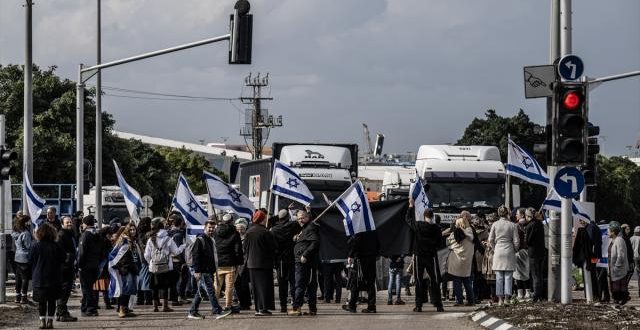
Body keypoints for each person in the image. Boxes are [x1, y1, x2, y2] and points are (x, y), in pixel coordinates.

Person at [187, 220, 231, 320]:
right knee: (211, 291)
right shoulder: (200, 239)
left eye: (213, 228)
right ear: (205, 228)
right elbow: (195, 256)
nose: (211, 230)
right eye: (209, 228)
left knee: (200, 293)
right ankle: (217, 311)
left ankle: (193, 312)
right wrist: (197, 271)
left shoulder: (210, 239)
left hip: (209, 270)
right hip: (203, 271)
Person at [404, 201, 444, 312]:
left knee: (419, 280)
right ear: (433, 216)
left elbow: (407, 219)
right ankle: (438, 304)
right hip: (431, 256)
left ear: (424, 216)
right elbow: (440, 244)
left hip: (419, 256)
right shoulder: (437, 228)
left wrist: (411, 206)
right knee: (435, 280)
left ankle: (419, 305)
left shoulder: (418, 226)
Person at [144, 217, 186, 313]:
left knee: (154, 287)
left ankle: (155, 307)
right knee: (165, 287)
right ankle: (165, 306)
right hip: (167, 267)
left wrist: (150, 262)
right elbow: (176, 251)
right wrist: (183, 246)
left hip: (153, 267)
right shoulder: (168, 239)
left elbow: (146, 254)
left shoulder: (151, 239)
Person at [31, 224, 65, 329]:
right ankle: (50, 321)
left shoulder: (36, 245)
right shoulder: (56, 246)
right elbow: (63, 259)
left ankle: (42, 321)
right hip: (54, 277)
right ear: (52, 233)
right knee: (52, 301)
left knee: (42, 301)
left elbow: (32, 261)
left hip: (39, 277)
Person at [244, 210, 277, 316]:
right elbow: (273, 248)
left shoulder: (249, 232)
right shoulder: (266, 232)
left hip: (251, 264)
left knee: (255, 287)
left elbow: (245, 248)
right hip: (264, 264)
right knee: (264, 286)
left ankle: (258, 308)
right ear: (262, 219)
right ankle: (263, 308)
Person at [288, 209, 320, 316]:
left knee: (300, 285)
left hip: (305, 263)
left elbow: (315, 242)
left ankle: (297, 308)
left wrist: (305, 255)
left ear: (307, 217)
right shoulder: (305, 228)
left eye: (302, 218)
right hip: (302, 262)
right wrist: (297, 238)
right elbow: (306, 241)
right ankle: (312, 309)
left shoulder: (310, 227)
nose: (300, 220)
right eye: (298, 218)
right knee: (309, 286)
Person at [269, 208, 301, 311]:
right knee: (293, 283)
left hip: (280, 260)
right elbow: (300, 224)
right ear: (287, 217)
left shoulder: (274, 229)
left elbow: (270, 221)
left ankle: (283, 306)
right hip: (291, 258)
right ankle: (295, 304)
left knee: (282, 284)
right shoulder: (293, 226)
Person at [109, 222, 142, 318]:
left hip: (132, 268)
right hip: (126, 269)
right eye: (130, 229)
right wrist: (124, 267)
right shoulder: (124, 242)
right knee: (126, 290)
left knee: (130, 289)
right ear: (127, 231)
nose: (132, 231)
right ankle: (121, 309)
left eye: (134, 229)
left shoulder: (133, 241)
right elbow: (117, 257)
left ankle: (125, 309)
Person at [342, 229, 379, 313]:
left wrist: (350, 255)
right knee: (370, 282)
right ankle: (371, 306)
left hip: (361, 259)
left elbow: (355, 243)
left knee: (355, 282)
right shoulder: (372, 230)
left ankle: (352, 306)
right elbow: (378, 244)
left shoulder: (359, 230)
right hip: (371, 258)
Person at [488, 205, 519, 306]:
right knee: (508, 276)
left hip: (498, 250)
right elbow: (516, 241)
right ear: (508, 213)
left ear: (498, 213)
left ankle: (500, 299)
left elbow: (490, 240)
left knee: (499, 276)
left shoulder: (495, 224)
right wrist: (515, 249)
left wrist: (494, 248)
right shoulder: (513, 225)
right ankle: (507, 298)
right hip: (509, 249)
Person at [214, 212, 244, 311]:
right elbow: (238, 249)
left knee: (217, 286)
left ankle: (215, 305)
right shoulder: (234, 233)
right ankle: (228, 305)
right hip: (230, 263)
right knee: (229, 286)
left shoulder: (215, 232)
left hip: (218, 263)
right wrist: (239, 263)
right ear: (231, 221)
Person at [78, 215, 103, 316]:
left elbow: (82, 252)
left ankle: (90, 309)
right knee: (90, 287)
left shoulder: (85, 235)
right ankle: (85, 307)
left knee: (86, 288)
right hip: (95, 265)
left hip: (85, 266)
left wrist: (79, 265)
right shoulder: (98, 234)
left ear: (85, 224)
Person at [447, 217, 475, 306]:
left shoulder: (455, 233)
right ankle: (471, 301)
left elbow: (448, 243)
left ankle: (459, 301)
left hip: (457, 260)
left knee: (457, 280)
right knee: (467, 280)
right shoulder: (470, 232)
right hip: (467, 261)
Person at [55, 216, 78, 322]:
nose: (69, 224)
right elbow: (61, 252)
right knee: (64, 291)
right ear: (62, 224)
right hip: (64, 268)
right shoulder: (61, 235)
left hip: (68, 267)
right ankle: (62, 313)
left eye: (70, 222)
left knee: (66, 291)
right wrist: (70, 259)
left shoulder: (69, 234)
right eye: (67, 222)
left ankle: (61, 312)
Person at [167, 214, 189, 306]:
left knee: (175, 280)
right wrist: (183, 262)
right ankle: (180, 297)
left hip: (171, 259)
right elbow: (178, 250)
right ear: (180, 223)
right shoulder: (178, 235)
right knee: (182, 279)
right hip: (178, 260)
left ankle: (175, 297)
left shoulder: (169, 232)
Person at [12, 214, 33, 305]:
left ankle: (17, 297)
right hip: (25, 258)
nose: (30, 222)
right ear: (26, 222)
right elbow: (28, 246)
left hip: (17, 257)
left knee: (18, 278)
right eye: (29, 221)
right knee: (25, 279)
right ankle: (24, 297)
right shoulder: (26, 233)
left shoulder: (16, 232)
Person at [525, 209, 546, 302]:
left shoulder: (530, 225)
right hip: (541, 252)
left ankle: (536, 296)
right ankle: (540, 294)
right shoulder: (540, 224)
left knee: (535, 275)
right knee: (540, 274)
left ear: (528, 216)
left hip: (533, 253)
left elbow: (528, 241)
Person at [608, 221, 630, 305]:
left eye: (609, 230)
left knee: (619, 287)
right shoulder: (613, 240)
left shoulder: (619, 240)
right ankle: (617, 301)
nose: (608, 232)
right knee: (615, 287)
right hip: (613, 269)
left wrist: (616, 267)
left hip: (619, 270)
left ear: (613, 232)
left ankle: (621, 300)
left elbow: (621, 255)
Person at [233, 218, 252, 310]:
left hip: (245, 263)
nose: (240, 230)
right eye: (238, 229)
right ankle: (243, 302)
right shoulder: (234, 237)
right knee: (237, 284)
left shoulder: (248, 237)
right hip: (236, 263)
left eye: (242, 228)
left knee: (243, 284)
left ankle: (246, 303)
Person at [513, 209, 531, 302]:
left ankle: (520, 294)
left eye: (517, 214)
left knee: (518, 273)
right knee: (527, 272)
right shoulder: (530, 224)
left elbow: (516, 240)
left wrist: (515, 250)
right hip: (528, 251)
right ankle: (528, 292)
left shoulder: (516, 226)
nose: (516, 215)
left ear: (522, 215)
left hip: (519, 251)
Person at [136, 217, 153, 305]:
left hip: (138, 258)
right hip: (145, 258)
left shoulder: (137, 234)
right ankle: (148, 299)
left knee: (140, 278)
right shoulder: (147, 235)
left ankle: (140, 298)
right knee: (146, 278)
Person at [630, 226, 640, 297]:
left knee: (630, 272)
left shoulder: (631, 238)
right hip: (639, 257)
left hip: (632, 257)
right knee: (639, 273)